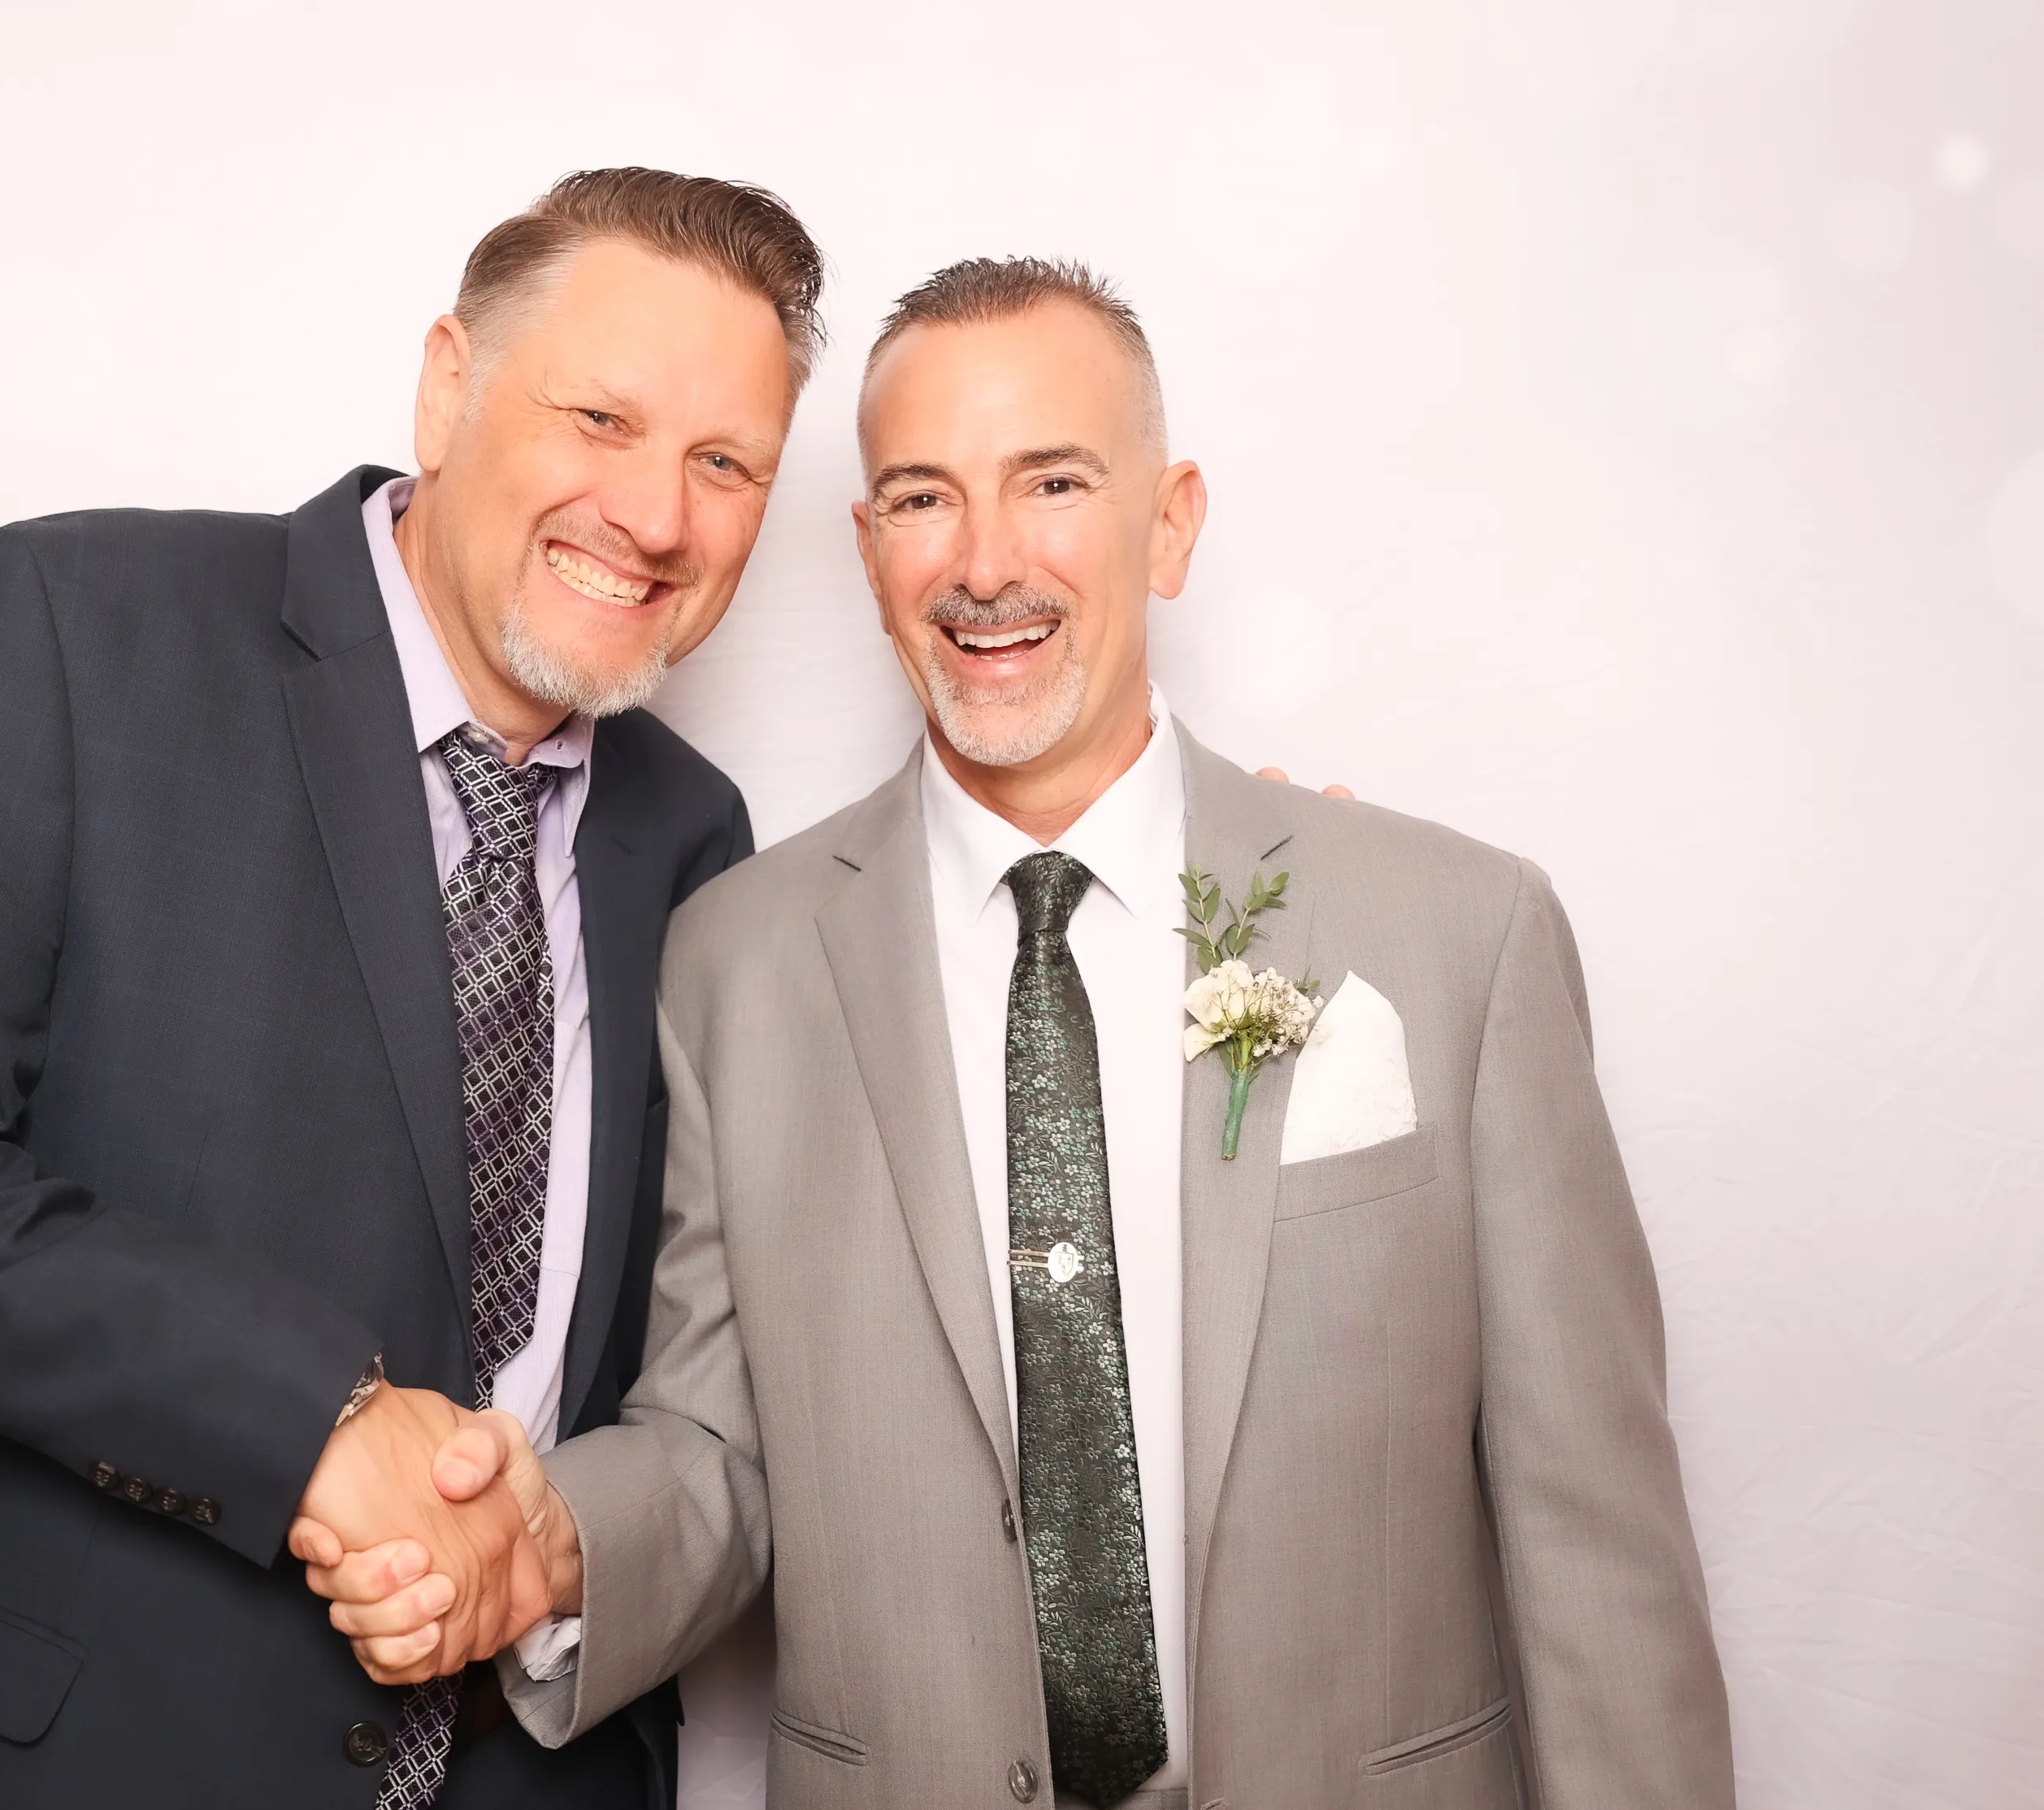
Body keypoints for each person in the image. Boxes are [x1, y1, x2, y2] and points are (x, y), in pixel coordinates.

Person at [311, 258, 1736, 1808]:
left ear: (1171, 519)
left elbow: (1596, 1539)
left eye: (1052, 481)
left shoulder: (1461, 932)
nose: (985, 563)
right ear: (866, 553)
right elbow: (716, 1445)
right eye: (922, 499)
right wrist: (545, 1541)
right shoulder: (737, 956)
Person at [0, 167, 826, 1808]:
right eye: (600, 418)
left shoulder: (694, 836)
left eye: (725, 465)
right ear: (447, 385)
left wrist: (556, 1552)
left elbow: (694, 1379)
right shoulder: (73, 629)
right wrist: (310, 1416)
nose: (655, 517)